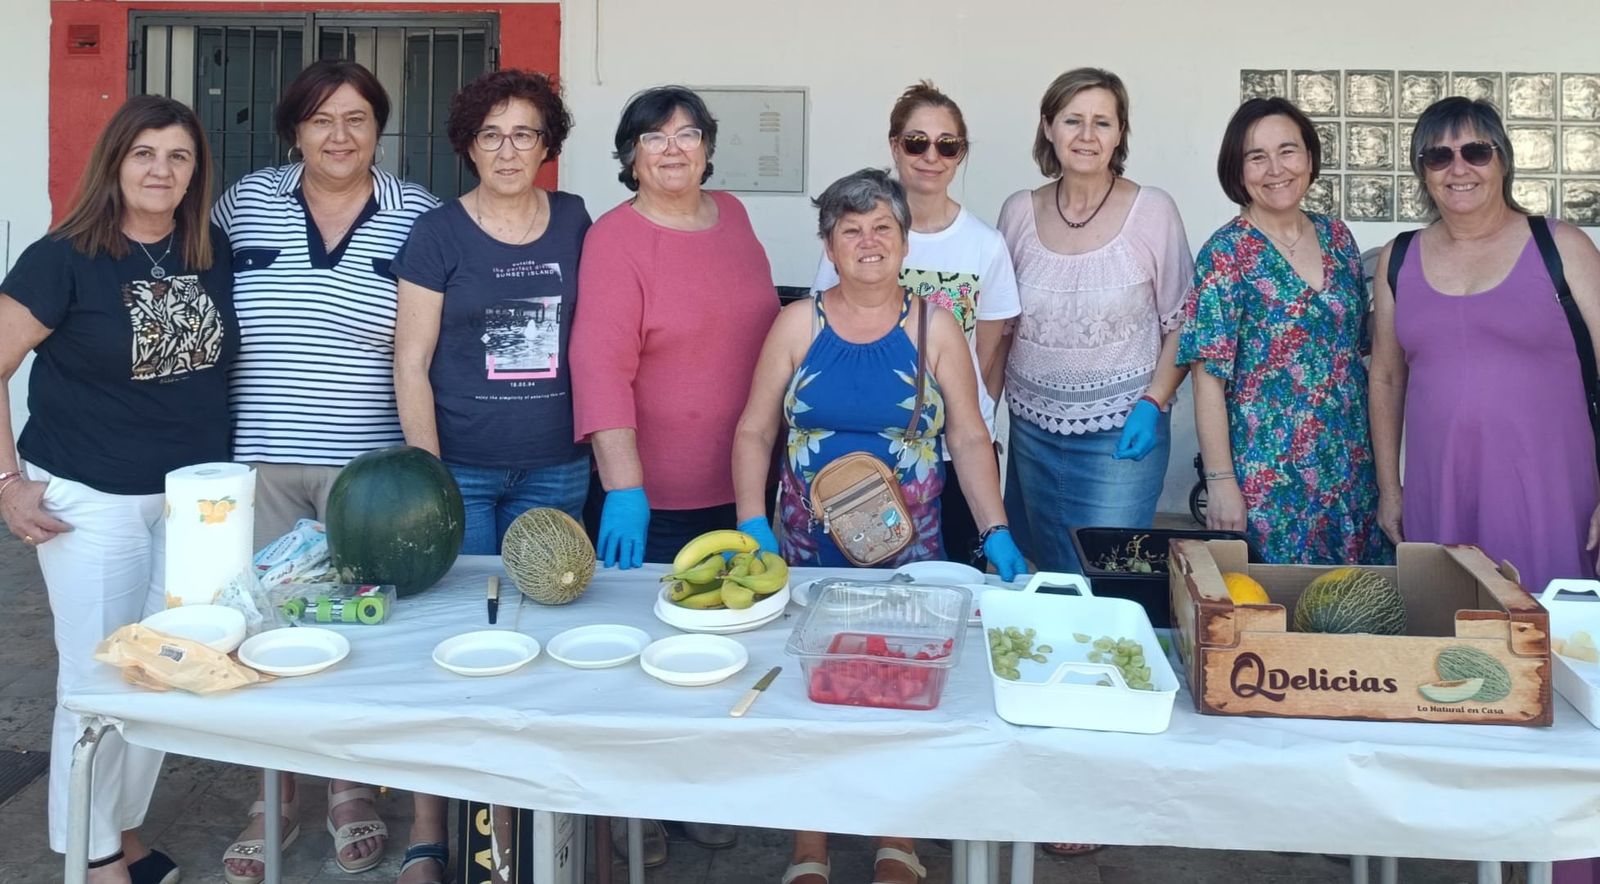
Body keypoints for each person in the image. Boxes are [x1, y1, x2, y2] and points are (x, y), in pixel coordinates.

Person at [732, 167, 1024, 884]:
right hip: (807, 552)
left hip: (910, 558)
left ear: (904, 240)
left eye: (882, 228)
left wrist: (995, 530)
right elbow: (753, 430)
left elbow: (967, 437)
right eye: (850, 229)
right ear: (828, 245)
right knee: (813, 697)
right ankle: (810, 846)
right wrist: (751, 526)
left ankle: (899, 840)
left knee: (903, 693)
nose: (867, 241)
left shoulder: (936, 325)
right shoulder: (799, 322)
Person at [212, 59, 439, 884]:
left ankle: (349, 789)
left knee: (353, 636)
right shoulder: (244, 202)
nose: (338, 136)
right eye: (320, 120)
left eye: (356, 119)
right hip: (260, 461)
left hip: (367, 470)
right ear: (294, 130)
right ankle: (270, 796)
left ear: (380, 129)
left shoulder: (419, 214)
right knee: (263, 632)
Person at [0, 94, 231, 884]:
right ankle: (95, 857)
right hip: (90, 496)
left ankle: (120, 830)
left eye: (179, 156)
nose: (161, 170)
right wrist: (7, 481)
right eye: (145, 154)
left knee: (163, 670)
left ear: (196, 172)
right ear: (115, 162)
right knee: (97, 677)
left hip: (194, 504)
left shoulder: (208, 248)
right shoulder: (62, 256)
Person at [389, 68, 588, 884]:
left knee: (542, 641)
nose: (508, 149)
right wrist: (431, 479)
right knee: (453, 648)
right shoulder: (438, 234)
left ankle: (529, 814)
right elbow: (410, 363)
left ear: (549, 145)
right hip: (462, 471)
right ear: (468, 143)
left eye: (525, 133)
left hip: (557, 467)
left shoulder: (577, 222)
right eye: (491, 134)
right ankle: (430, 832)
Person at [569, 84, 776, 859]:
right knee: (648, 662)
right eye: (653, 138)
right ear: (629, 156)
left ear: (709, 147)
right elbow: (598, 366)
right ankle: (640, 810)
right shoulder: (616, 238)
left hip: (742, 487)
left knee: (728, 652)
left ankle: (699, 790)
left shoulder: (737, 219)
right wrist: (624, 487)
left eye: (688, 134)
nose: (673, 149)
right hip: (652, 497)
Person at [1369, 97, 1600, 598]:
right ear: (1422, 172)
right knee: (1449, 641)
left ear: (1503, 161)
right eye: (1439, 157)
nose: (1459, 169)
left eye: (1476, 151)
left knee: (1553, 640)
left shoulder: (1562, 247)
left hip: (1551, 491)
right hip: (1442, 489)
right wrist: (1390, 489)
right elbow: (1386, 377)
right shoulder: (1399, 257)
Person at [810, 81, 1020, 568]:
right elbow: (826, 324)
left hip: (954, 452)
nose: (931, 156)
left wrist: (972, 420)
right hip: (866, 444)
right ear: (893, 145)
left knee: (947, 583)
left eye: (947, 144)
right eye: (916, 141)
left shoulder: (985, 245)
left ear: (961, 152)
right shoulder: (860, 235)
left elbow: (989, 350)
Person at [998, 67, 1194, 574]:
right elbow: (1000, 328)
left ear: (1120, 133)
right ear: (1048, 127)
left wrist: (1153, 402)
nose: (1086, 136)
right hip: (1032, 428)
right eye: (1072, 120)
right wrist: (982, 411)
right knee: (1035, 573)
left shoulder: (1154, 211)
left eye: (1102, 122)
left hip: (1122, 429)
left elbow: (1183, 321)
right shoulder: (1018, 211)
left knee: (1107, 575)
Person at [1178, 97, 1387, 565]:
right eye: (1257, 156)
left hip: (1349, 468)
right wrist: (1220, 482)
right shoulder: (1226, 253)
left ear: (1310, 158)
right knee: (1275, 617)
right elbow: (1207, 377)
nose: (1275, 169)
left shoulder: (1338, 238)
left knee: (1354, 610)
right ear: (1238, 170)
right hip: (1269, 478)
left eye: (1287, 150)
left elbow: (1359, 348)